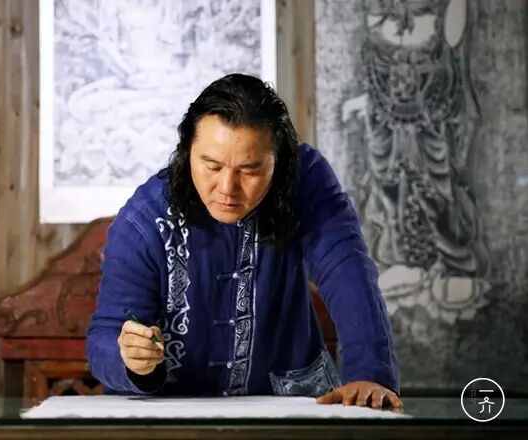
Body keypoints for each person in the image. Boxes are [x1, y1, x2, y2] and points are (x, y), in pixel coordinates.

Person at [86, 73, 403, 411]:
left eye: (249, 170)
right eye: (211, 165)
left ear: (279, 159)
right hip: (173, 414)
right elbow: (104, 337)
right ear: (187, 150)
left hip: (290, 406)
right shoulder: (143, 219)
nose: (227, 188)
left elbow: (347, 269)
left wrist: (369, 372)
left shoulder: (304, 178)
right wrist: (130, 359)